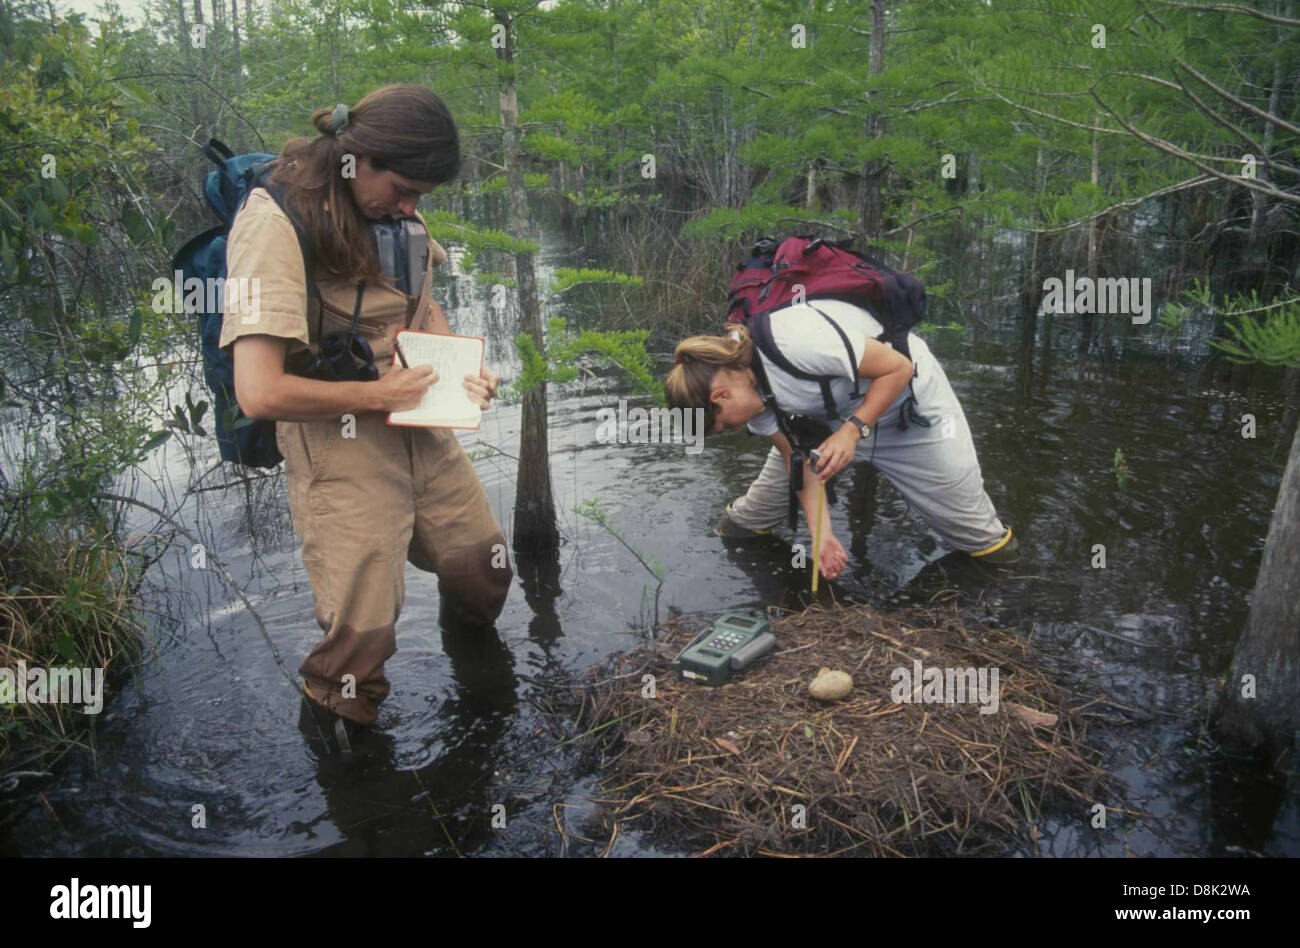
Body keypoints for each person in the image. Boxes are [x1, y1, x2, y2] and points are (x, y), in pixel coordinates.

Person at [220, 84, 512, 730]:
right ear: (362, 160)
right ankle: (348, 772)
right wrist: (376, 395)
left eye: (423, 196)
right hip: (335, 428)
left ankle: (479, 681)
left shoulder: (400, 209)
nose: (412, 207)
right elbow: (259, 390)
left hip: (413, 412)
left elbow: (421, 301)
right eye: (405, 189)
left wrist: (464, 366)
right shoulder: (272, 224)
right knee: (363, 638)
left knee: (484, 569)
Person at [664, 299, 1018, 579]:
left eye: (724, 426)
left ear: (719, 397)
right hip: (830, 425)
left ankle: (1010, 580)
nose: (734, 431)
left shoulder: (795, 341)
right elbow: (797, 462)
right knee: (743, 526)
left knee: (983, 543)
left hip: (911, 414)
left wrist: (852, 432)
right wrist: (822, 536)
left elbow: (898, 368)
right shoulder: (753, 400)